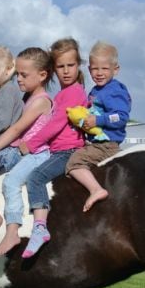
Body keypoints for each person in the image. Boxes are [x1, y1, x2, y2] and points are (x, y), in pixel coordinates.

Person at [0, 47, 54, 254]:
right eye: (17, 74)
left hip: (34, 152)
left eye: (23, 75)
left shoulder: (41, 101)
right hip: (24, 149)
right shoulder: (27, 99)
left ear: (42, 75)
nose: (18, 79)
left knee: (7, 181)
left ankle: (10, 229)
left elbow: (15, 128)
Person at [19, 37, 88, 258]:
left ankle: (40, 228)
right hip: (57, 149)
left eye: (71, 65)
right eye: (61, 66)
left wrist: (31, 144)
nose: (66, 71)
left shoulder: (74, 92)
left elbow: (56, 124)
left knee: (35, 177)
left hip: (67, 151)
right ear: (54, 69)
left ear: (78, 65)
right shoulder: (62, 94)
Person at [66, 40, 131, 212]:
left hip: (106, 145)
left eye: (104, 69)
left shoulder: (115, 90)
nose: (99, 73)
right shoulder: (95, 90)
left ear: (115, 69)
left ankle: (96, 190)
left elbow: (122, 116)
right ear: (89, 70)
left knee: (75, 162)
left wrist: (98, 121)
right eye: (95, 69)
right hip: (96, 142)